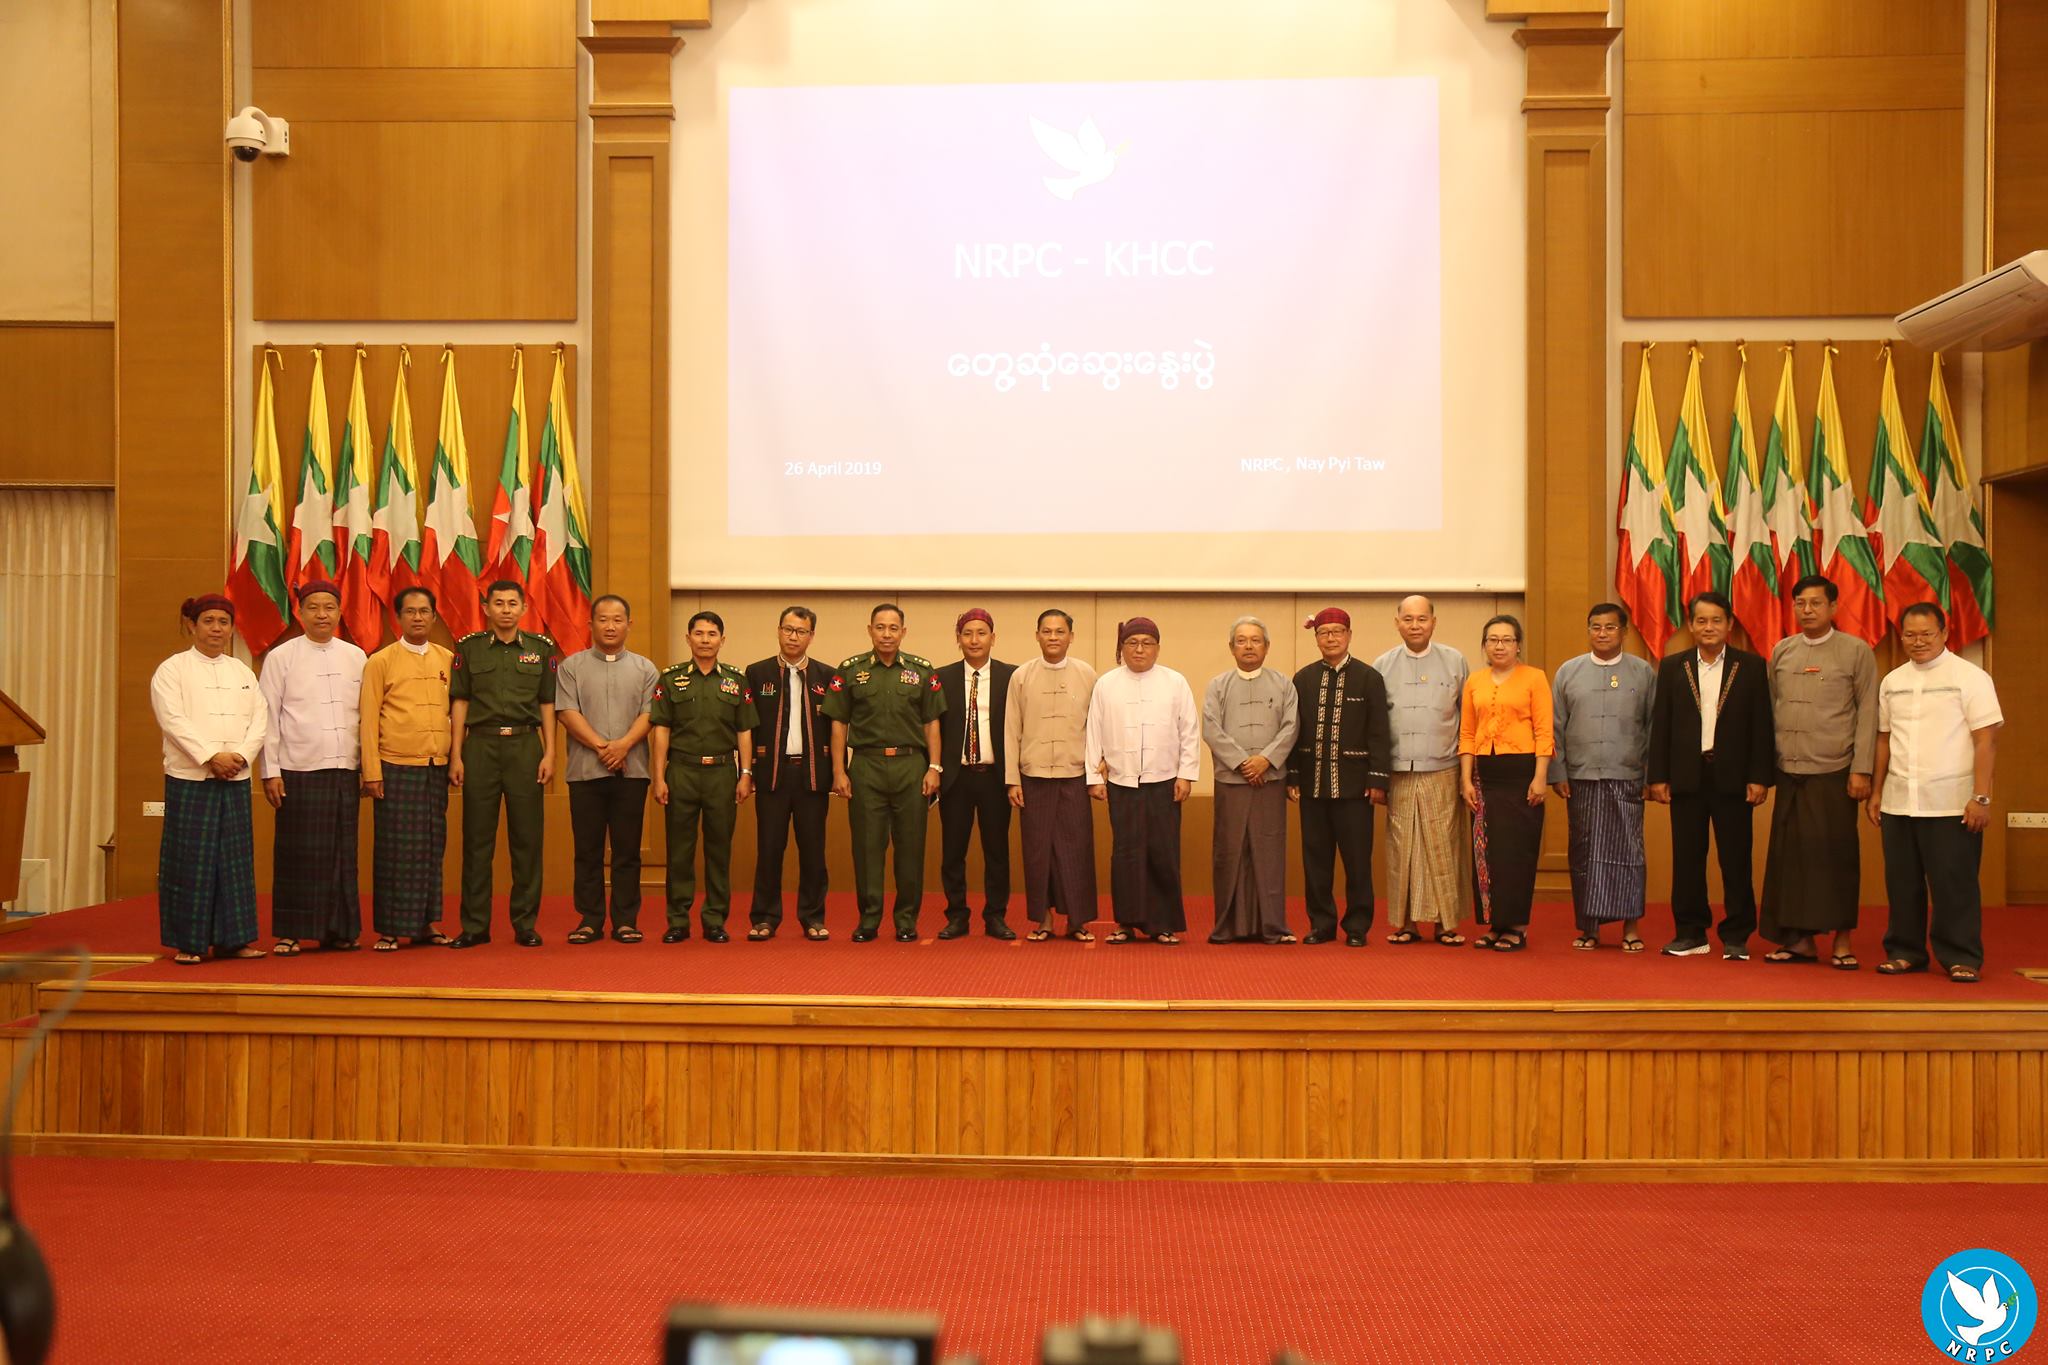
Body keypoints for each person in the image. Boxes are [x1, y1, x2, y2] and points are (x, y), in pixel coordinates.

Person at [1870, 602, 2002, 984]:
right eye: (1910, 635)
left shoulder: (1971, 677)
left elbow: (1986, 741)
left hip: (1951, 802)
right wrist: (1877, 792)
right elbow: (1883, 739)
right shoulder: (1892, 681)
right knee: (1902, 883)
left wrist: (1981, 797)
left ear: (1945, 633)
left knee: (1953, 883)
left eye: (1927, 634)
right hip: (1899, 800)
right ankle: (1905, 951)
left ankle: (1961, 956)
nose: (1918, 641)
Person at [1645, 591, 1775, 960]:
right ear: (1690, 625)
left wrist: (1759, 776)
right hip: (1687, 777)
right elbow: (1661, 724)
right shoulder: (1674, 666)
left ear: (1729, 624)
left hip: (1734, 778)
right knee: (1687, 859)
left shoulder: (1750, 666)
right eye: (1701, 620)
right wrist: (1658, 776)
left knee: (1736, 859)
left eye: (1716, 620)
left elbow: (1761, 725)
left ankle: (1737, 935)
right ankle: (1690, 932)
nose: (1709, 627)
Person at [1762, 575, 1878, 969]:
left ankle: (1842, 941)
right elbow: (1771, 709)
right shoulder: (1783, 650)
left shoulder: (1855, 651)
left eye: (1815, 603)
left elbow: (1868, 713)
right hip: (1789, 771)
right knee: (1790, 859)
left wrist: (1862, 770)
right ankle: (1799, 941)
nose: (1807, 610)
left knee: (1835, 857)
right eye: (1800, 603)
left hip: (1834, 771)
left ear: (1832, 607)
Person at [150, 594, 267, 964]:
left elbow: (259, 720)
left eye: (223, 622)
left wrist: (241, 756)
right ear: (192, 625)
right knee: (191, 861)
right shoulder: (172, 670)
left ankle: (235, 940)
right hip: (191, 777)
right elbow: (172, 720)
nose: (217, 628)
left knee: (234, 861)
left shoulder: (242, 672)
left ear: (231, 628)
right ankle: (191, 942)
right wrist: (211, 757)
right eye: (209, 621)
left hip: (235, 777)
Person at [823, 604, 945, 942]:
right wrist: (839, 770)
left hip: (911, 766)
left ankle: (906, 920)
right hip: (866, 766)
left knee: (911, 847)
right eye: (880, 627)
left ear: (903, 632)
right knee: (867, 848)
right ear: (870, 630)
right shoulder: (851, 670)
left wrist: (934, 766)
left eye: (893, 628)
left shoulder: (921, 671)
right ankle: (869, 919)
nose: (887, 634)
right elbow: (838, 723)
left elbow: (931, 722)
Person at [258, 579, 367, 955]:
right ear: (300, 612)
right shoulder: (281, 657)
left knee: (342, 853)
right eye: (314, 608)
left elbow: (366, 715)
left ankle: (339, 930)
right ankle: (291, 931)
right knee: (297, 853)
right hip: (298, 768)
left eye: (329, 608)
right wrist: (270, 770)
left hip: (345, 768)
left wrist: (367, 767)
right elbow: (267, 716)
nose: (322, 615)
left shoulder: (356, 656)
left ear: (340, 612)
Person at [448, 579, 558, 948]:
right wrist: (456, 754)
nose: (506, 609)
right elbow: (460, 702)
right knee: (477, 840)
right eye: (499, 603)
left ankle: (525, 923)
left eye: (513, 603)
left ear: (524, 608)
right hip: (480, 746)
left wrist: (550, 752)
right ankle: (475, 925)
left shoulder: (541, 650)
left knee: (527, 840)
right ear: (486, 608)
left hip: (525, 746)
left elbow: (547, 703)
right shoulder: (469, 648)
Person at [1086, 618, 1200, 945]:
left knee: (1163, 852)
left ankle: (1163, 924)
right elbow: (1093, 731)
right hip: (1122, 782)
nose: (1139, 649)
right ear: (1122, 647)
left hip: (1165, 781)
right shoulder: (1106, 684)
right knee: (1126, 854)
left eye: (1147, 643)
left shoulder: (1175, 682)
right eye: (1132, 642)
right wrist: (1093, 777)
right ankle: (1126, 922)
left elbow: (1189, 731)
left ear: (1157, 648)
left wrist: (1186, 774)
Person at [1549, 603, 1654, 951]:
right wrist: (1558, 772)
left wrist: (1650, 776)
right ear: (1588, 630)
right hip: (1581, 777)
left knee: (1629, 852)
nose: (1602, 633)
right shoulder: (1569, 671)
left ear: (1623, 631)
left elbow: (1653, 726)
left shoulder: (1642, 672)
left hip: (1627, 775)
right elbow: (1555, 727)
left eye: (1610, 627)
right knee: (1584, 853)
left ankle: (1630, 928)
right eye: (1596, 627)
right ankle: (1589, 929)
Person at [555, 594, 658, 945]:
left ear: (629, 624)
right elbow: (567, 713)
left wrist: (624, 745)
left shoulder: (646, 669)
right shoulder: (571, 666)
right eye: (603, 619)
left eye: (617, 620)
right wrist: (605, 747)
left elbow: (650, 714)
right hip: (586, 773)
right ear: (590, 625)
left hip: (632, 772)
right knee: (588, 851)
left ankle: (626, 920)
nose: (610, 626)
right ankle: (590, 920)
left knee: (627, 851)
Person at [1285, 607, 1391, 947]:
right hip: (1312, 785)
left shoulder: (1369, 678)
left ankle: (1357, 926)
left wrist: (1378, 779)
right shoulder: (1303, 679)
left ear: (1349, 635)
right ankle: (1321, 924)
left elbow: (1379, 732)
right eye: (1323, 633)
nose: (1330, 638)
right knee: (1315, 861)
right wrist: (1292, 776)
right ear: (1316, 638)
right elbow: (1292, 732)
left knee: (1357, 862)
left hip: (1355, 788)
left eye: (1337, 632)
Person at [651, 611, 758, 943]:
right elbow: (661, 730)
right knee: (679, 850)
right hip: (681, 771)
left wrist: (745, 773)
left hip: (722, 773)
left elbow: (744, 731)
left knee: (718, 849)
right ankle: (678, 920)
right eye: (699, 634)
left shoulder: (736, 680)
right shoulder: (671, 679)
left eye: (712, 634)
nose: (705, 640)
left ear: (722, 640)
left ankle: (714, 919)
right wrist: (658, 776)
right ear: (688, 639)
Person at [360, 585, 455, 949]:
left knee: (431, 847)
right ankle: (390, 927)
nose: (418, 617)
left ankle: (427, 923)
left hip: (435, 767)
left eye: (424, 611)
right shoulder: (380, 661)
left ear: (434, 617)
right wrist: (371, 771)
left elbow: (457, 714)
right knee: (395, 850)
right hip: (395, 766)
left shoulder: (448, 658)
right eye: (410, 611)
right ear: (398, 618)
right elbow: (368, 719)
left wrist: (454, 760)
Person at [1373, 595, 1473, 942]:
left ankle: (1446, 923)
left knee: (1443, 846)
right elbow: (1375, 726)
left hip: (1443, 768)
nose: (1415, 626)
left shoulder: (1455, 661)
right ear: (1397, 623)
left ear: (1433, 622)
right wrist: (1378, 776)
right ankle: (1406, 923)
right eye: (1408, 619)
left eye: (1422, 619)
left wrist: (1467, 775)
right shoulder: (1382, 665)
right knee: (1403, 848)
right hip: (1399, 770)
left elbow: (1468, 720)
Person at [1458, 615, 1553, 951]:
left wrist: (1540, 777)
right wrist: (1465, 779)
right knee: (1486, 852)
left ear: (1518, 645)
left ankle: (1516, 926)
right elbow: (1467, 733)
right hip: (1484, 776)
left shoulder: (1535, 678)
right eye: (1493, 640)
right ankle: (1495, 924)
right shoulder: (1475, 680)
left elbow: (1544, 731)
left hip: (1522, 773)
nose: (1499, 646)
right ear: (1484, 645)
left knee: (1517, 852)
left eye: (1507, 640)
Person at [1004, 609, 1099, 942]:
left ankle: (1077, 921)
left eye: (1060, 631)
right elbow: (1011, 729)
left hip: (1075, 774)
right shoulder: (1021, 676)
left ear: (1071, 636)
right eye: (1047, 631)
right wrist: (1013, 779)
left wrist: (1095, 775)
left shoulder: (1087, 674)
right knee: (1037, 851)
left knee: (1077, 850)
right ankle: (1042, 919)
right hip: (1033, 776)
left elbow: (1097, 728)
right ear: (1037, 636)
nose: (1054, 637)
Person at [1205, 616, 1301, 944]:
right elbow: (1211, 728)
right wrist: (1242, 763)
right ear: (1231, 647)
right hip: (1231, 781)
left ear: (1267, 646)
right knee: (1229, 851)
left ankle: (1272, 926)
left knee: (1269, 850)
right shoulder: (1218, 685)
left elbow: (1291, 727)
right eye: (1242, 640)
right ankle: (1228, 926)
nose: (1248, 646)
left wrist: (1265, 760)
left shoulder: (1283, 684)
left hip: (1270, 780)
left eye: (1255, 640)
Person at [745, 606, 835, 940]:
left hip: (812, 774)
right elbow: (747, 727)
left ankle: (813, 917)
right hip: (772, 773)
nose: (793, 636)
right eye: (788, 629)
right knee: (769, 849)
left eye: (801, 631)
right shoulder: (757, 673)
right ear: (779, 630)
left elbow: (837, 728)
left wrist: (837, 772)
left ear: (812, 636)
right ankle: (765, 917)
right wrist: (746, 771)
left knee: (813, 851)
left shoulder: (827, 675)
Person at [935, 609, 1018, 940]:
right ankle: (957, 916)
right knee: (953, 852)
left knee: (997, 852)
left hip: (995, 777)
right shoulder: (941, 677)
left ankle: (995, 916)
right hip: (956, 777)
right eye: (967, 633)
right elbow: (932, 728)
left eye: (981, 633)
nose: (974, 640)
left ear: (993, 638)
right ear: (958, 639)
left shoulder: (1012, 676)